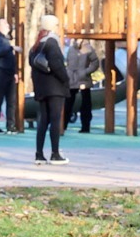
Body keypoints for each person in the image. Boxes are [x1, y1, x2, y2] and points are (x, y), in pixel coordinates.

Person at [29, 15, 71, 165]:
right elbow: (57, 65)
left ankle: (39, 154)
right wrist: (66, 79)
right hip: (55, 88)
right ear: (54, 26)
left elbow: (32, 63)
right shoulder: (52, 42)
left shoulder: (37, 44)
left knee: (43, 121)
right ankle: (55, 153)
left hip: (41, 87)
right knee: (55, 120)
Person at [64, 39, 101, 133]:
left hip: (81, 79)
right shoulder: (72, 48)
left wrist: (85, 72)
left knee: (84, 104)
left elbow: (95, 63)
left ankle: (83, 126)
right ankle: (65, 125)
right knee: (70, 103)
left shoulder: (87, 48)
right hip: (74, 79)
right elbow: (68, 62)